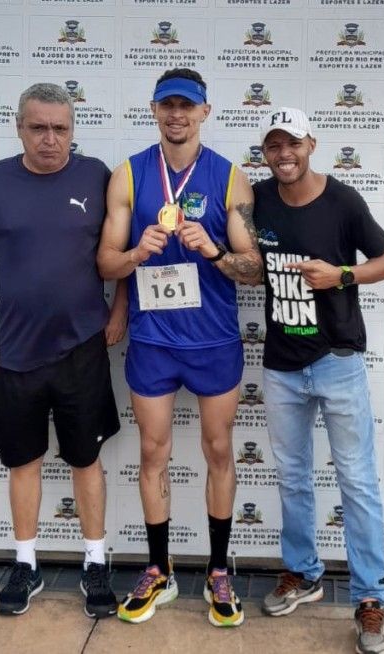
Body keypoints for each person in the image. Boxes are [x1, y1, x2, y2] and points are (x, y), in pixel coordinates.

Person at [0, 82, 127, 620]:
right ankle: (25, 563)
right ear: (19, 127)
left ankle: (94, 562)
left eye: (60, 128)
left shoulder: (97, 175)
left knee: (86, 460)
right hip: (17, 353)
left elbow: (120, 250)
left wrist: (119, 311)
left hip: (83, 348)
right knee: (23, 461)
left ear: (73, 131)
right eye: (38, 128)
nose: (50, 139)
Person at [96, 68, 262, 627]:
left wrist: (215, 252)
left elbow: (254, 270)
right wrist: (137, 252)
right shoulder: (128, 177)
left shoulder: (231, 178)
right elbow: (104, 263)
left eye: (187, 106)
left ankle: (218, 570)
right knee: (153, 453)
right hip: (152, 340)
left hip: (213, 340)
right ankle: (159, 569)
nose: (177, 115)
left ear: (205, 112)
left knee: (219, 450)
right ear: (154, 110)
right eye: (168, 105)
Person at [252, 107, 384, 654]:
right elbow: (248, 259)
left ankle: (369, 597)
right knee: (292, 477)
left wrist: (342, 274)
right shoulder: (258, 199)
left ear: (311, 143)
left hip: (337, 360)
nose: (284, 153)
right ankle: (303, 573)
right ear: (265, 153)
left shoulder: (343, 201)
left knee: (357, 482)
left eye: (292, 142)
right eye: (273, 146)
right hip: (281, 363)